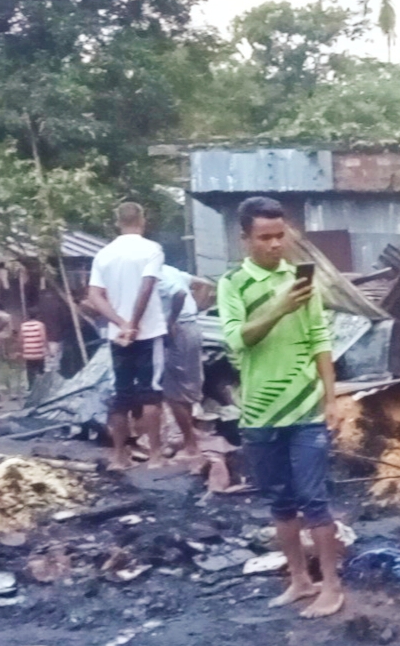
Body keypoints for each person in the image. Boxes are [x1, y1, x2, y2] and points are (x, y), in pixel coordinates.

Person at [219, 196, 345, 619]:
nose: (275, 245)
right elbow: (240, 339)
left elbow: (321, 342)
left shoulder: (303, 282)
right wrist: (278, 306)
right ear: (245, 239)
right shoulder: (233, 284)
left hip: (306, 410)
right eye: (265, 238)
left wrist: (332, 399)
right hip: (258, 413)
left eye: (280, 235)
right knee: (280, 502)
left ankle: (331, 586)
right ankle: (298, 579)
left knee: (315, 500)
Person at [84, 201, 167, 471]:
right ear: (142, 220)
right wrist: (134, 322)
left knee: (120, 393)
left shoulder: (103, 255)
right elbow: (146, 287)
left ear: (117, 222)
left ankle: (120, 456)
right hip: (148, 331)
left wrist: (120, 323)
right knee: (151, 394)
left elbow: (94, 295)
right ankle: (155, 455)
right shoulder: (151, 250)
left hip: (117, 336)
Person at [156, 262, 208, 459]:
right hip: (191, 326)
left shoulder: (157, 275)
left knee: (172, 390)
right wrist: (197, 309)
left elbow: (179, 293)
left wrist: (171, 320)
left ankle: (189, 443)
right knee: (184, 388)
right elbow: (204, 284)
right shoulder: (171, 270)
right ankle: (185, 438)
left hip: (178, 329)